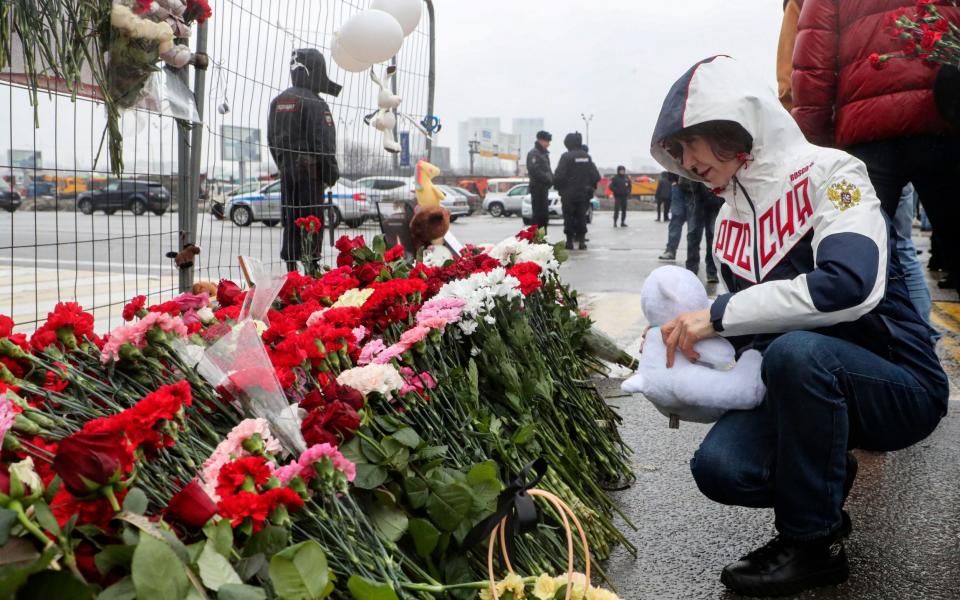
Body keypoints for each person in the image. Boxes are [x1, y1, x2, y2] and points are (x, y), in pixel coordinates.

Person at [651, 56, 948, 597]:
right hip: (804, 385)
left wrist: (716, 315)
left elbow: (848, 285)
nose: (684, 160)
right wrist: (678, 370)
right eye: (674, 149)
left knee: (797, 352)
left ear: (733, 123)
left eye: (688, 141)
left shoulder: (835, 175)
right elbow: (748, 336)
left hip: (898, 384)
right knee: (720, 469)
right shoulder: (727, 221)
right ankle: (823, 483)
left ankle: (814, 544)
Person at [792, 0, 960, 297]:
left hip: (866, 131)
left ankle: (887, 341)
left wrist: (814, 147)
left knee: (862, 260)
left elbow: (813, 67)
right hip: (943, 117)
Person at [267, 48, 342, 272]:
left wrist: (283, 165)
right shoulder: (316, 103)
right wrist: (331, 173)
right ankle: (311, 267)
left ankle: (290, 267)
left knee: (290, 217)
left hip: (287, 172)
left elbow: (272, 140)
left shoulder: (278, 101)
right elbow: (324, 144)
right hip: (312, 173)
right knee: (311, 220)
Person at [553, 132, 600, 250]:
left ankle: (569, 242)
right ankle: (582, 242)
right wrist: (590, 187)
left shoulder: (566, 157)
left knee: (568, 217)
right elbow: (595, 176)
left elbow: (558, 176)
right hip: (583, 194)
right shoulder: (586, 157)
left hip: (568, 194)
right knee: (581, 217)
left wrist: (559, 188)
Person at [684, 183, 722, 283]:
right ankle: (691, 271)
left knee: (712, 237)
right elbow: (684, 179)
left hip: (714, 201)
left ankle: (711, 272)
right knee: (694, 235)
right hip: (696, 199)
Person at [658, 175, 692, 261]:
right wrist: (673, 179)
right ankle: (671, 251)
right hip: (678, 184)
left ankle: (692, 256)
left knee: (693, 223)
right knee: (676, 219)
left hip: (695, 186)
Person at [525, 130, 554, 232]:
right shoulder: (534, 153)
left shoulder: (543, 154)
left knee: (544, 216)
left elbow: (548, 171)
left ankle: (542, 239)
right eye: (547, 141)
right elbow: (534, 170)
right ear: (541, 140)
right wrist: (548, 179)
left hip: (544, 188)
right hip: (537, 188)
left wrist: (552, 179)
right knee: (538, 215)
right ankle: (536, 240)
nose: (548, 144)